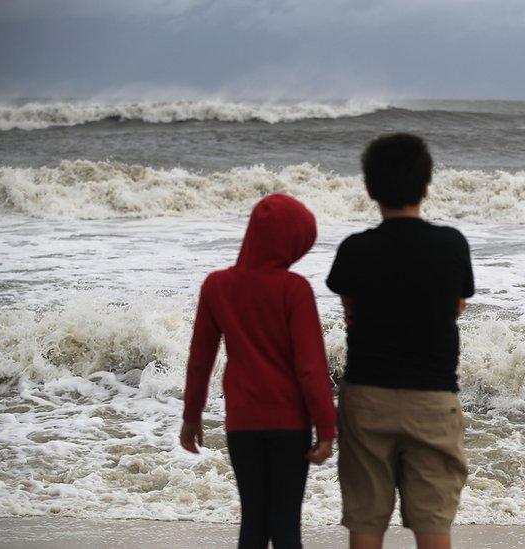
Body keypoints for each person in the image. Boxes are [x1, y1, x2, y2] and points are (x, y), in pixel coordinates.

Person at [327, 133, 474, 549]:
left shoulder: (355, 249)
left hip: (367, 394)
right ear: (426, 186)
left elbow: (350, 312)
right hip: (432, 397)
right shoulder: (450, 245)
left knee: (366, 522)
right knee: (433, 522)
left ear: (370, 188)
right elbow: (457, 306)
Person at [179, 193, 337, 549]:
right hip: (290, 424)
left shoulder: (217, 285)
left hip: (243, 422)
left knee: (252, 524)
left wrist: (192, 416)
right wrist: (326, 427)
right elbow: (310, 366)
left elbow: (200, 359)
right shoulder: (294, 289)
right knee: (285, 527)